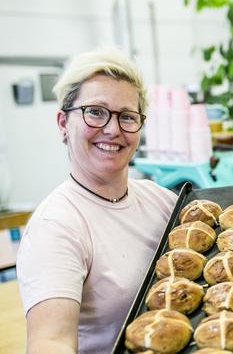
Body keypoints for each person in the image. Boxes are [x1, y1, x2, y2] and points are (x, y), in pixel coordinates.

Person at [16, 48, 177, 353]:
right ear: (63, 122)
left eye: (127, 116)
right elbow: (50, 341)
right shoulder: (57, 226)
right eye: (96, 111)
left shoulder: (162, 201)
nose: (113, 129)